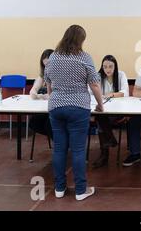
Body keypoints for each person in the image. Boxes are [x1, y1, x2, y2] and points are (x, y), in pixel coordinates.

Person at [44, 25, 104, 201]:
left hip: (56, 107)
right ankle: (80, 190)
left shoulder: (53, 57)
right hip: (78, 107)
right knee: (78, 151)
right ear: (80, 40)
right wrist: (100, 105)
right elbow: (94, 84)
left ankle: (59, 189)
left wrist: (52, 99)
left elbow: (48, 83)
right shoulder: (84, 57)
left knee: (59, 150)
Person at [91, 54, 129, 169]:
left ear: (115, 67)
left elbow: (125, 92)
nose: (107, 69)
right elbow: (90, 92)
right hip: (104, 110)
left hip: (118, 111)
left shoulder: (121, 75)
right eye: (105, 66)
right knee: (101, 117)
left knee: (100, 119)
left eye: (110, 66)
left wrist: (111, 94)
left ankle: (104, 155)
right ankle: (110, 141)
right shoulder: (97, 76)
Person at [29, 49, 54, 139]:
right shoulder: (43, 75)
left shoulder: (60, 75)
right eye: (45, 66)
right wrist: (35, 93)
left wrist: (44, 96)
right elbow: (33, 91)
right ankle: (58, 139)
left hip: (57, 108)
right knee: (33, 122)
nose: (47, 68)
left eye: (49, 65)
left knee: (49, 124)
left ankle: (60, 142)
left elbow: (53, 95)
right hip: (45, 108)